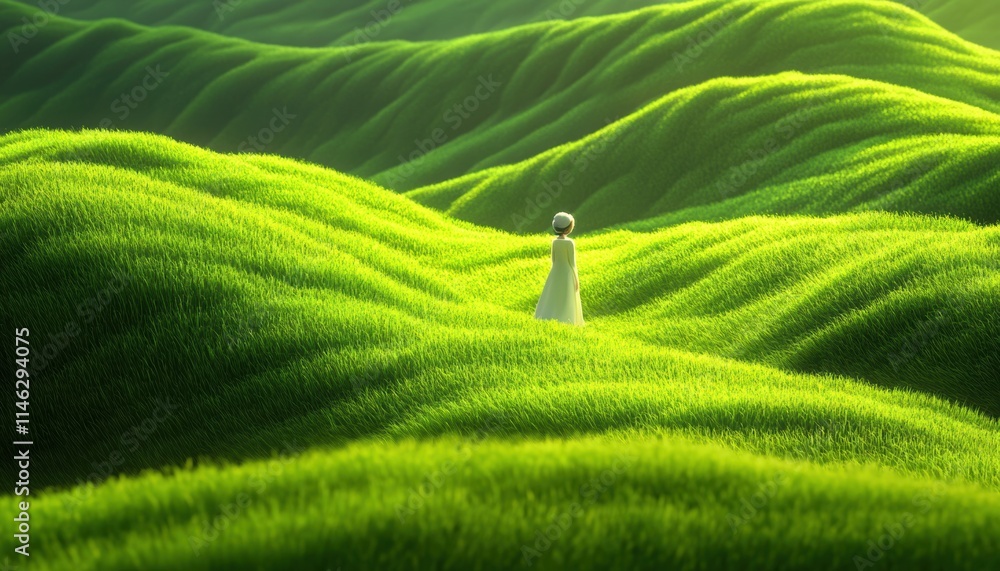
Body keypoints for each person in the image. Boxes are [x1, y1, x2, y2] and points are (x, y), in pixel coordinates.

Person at [534, 212, 584, 326]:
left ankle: (552, 315)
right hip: (567, 273)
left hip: (556, 272)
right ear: (568, 229)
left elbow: (554, 260)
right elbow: (572, 263)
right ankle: (567, 318)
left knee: (554, 294)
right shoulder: (570, 243)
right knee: (567, 296)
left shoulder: (555, 242)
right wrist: (576, 279)